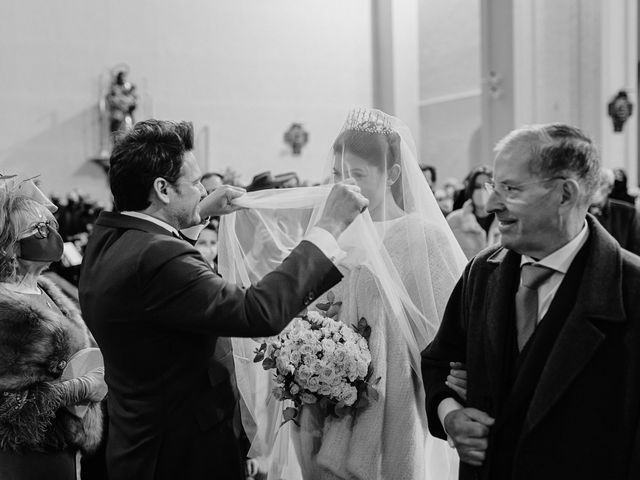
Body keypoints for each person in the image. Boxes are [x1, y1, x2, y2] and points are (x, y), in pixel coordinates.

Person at [77, 119, 368, 480]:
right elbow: (257, 312)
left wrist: (198, 214)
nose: (202, 189)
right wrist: (328, 230)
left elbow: (157, 287)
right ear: (163, 189)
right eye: (195, 182)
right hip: (182, 454)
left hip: (138, 443)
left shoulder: (108, 239)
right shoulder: (157, 259)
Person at [223, 108, 467, 480]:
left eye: (358, 174)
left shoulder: (422, 238)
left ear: (393, 175)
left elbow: (446, 331)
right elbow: (302, 309)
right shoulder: (332, 234)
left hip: (394, 403)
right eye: (338, 175)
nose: (345, 186)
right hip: (322, 405)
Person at [421, 124, 640, 480]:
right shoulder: (482, 271)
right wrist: (450, 415)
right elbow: (439, 359)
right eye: (494, 186)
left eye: (510, 189)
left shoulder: (630, 291)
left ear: (564, 194)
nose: (491, 204)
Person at [0, 186, 107, 480]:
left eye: (49, 225)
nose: (49, 234)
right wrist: (78, 388)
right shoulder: (4, 307)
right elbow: (7, 404)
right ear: (9, 243)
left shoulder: (47, 289)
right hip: (24, 452)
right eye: (38, 228)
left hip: (64, 442)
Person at [446, 166, 500, 259]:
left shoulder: (505, 221)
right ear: (471, 189)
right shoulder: (454, 221)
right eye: (477, 186)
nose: (482, 191)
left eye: (486, 186)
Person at [589, 167, 640, 255]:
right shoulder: (578, 211)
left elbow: (636, 251)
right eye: (591, 184)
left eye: (600, 184)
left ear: (610, 188)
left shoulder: (628, 213)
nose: (594, 189)